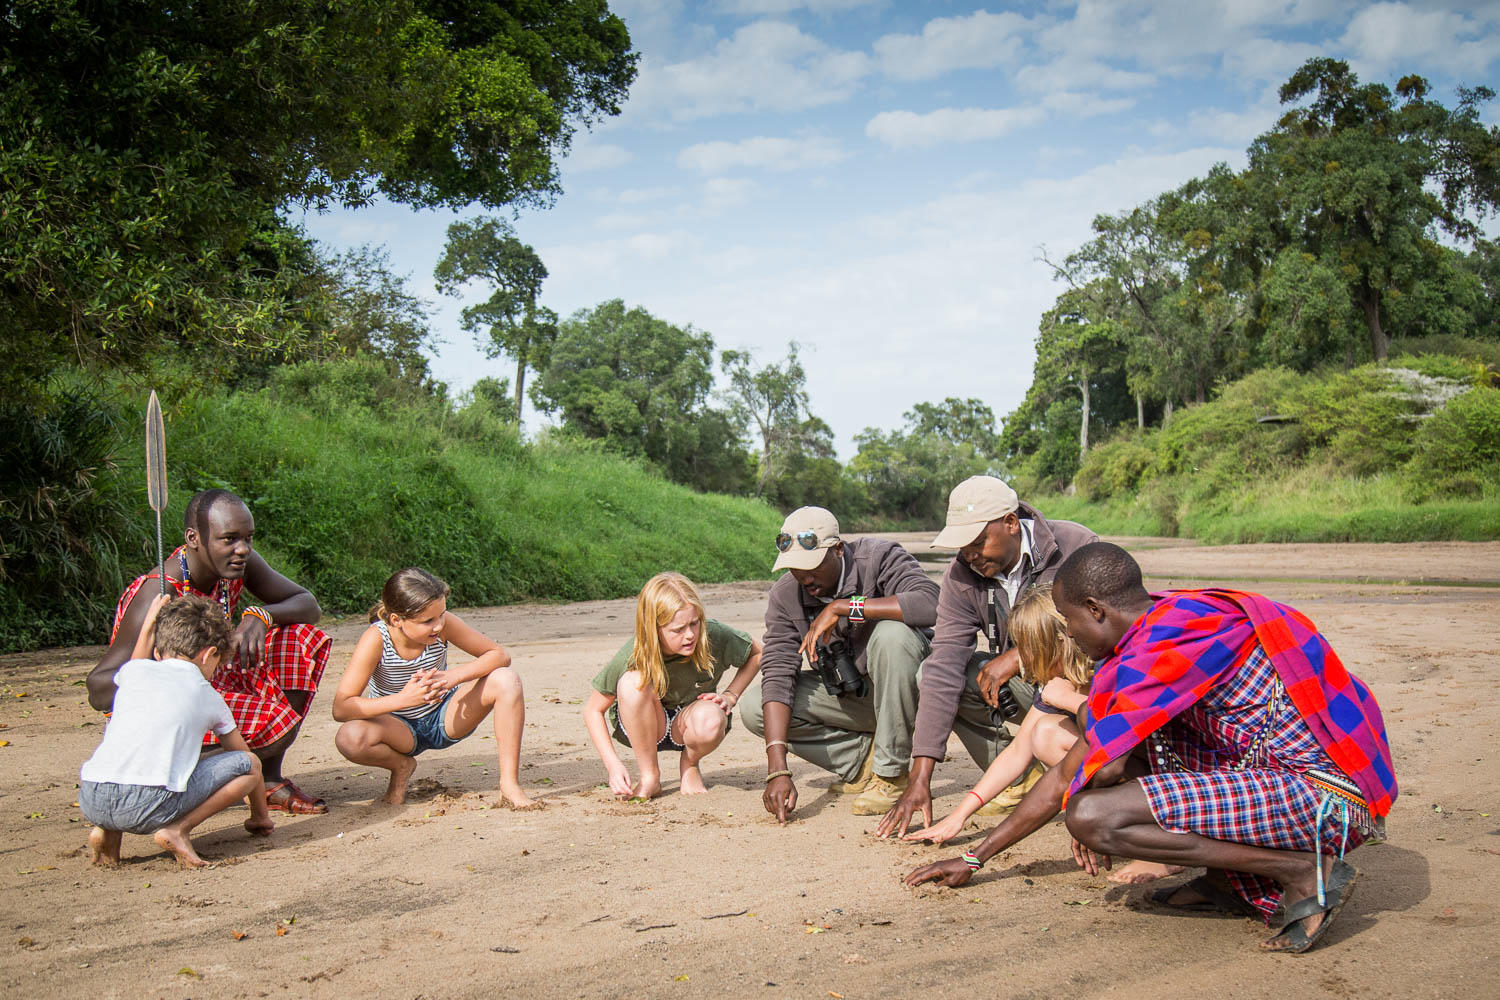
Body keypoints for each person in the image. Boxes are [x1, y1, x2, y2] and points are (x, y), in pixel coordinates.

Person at [907, 542, 1397, 955]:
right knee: (1140, 756)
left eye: (1073, 622)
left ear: (1097, 609)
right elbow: (1097, 760)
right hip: (1286, 776)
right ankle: (1228, 881)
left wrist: (976, 856)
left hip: (1329, 798)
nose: (1072, 636)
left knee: (1094, 815)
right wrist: (977, 853)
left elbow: (1078, 774)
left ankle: (1299, 872)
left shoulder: (1164, 646)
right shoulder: (1169, 620)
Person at [88, 489, 333, 814]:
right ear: (194, 538)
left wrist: (261, 615)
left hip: (209, 681)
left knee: (300, 637)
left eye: (248, 538)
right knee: (276, 725)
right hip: (165, 712)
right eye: (229, 539)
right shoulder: (158, 592)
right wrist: (156, 675)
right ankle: (186, 776)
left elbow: (308, 605)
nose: (242, 549)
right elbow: (99, 688)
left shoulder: (236, 562)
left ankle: (269, 779)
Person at [879, 476, 1097, 839]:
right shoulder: (961, 575)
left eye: (978, 543)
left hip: (1090, 685)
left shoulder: (1077, 547)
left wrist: (1017, 657)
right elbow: (944, 665)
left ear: (1011, 523)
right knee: (937, 675)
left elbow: (1106, 630)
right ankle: (1020, 780)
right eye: (963, 547)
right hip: (1043, 691)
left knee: (1068, 734)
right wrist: (920, 778)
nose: (970, 556)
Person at [740, 506, 940, 821]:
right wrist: (777, 770)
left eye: (812, 565)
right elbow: (778, 671)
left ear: (837, 549)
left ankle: (892, 775)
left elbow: (931, 603)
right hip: (858, 699)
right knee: (755, 706)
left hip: (912, 695)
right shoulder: (785, 595)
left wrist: (846, 607)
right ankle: (863, 763)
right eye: (794, 567)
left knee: (893, 635)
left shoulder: (879, 556)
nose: (804, 576)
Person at [80, 593, 274, 868]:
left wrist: (150, 621)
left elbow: (138, 655)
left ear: (158, 652)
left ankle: (106, 832)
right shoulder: (207, 695)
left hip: (92, 797)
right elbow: (244, 759)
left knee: (128, 761)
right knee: (249, 765)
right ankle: (178, 830)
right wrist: (260, 816)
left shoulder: (134, 671)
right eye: (217, 663)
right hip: (146, 807)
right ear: (210, 654)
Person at [900, 585, 1089, 845]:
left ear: (1060, 641)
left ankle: (1111, 818)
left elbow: (1132, 727)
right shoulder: (1056, 679)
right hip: (1114, 764)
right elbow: (1017, 752)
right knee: (1043, 732)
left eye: (1031, 649)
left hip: (1147, 769)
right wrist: (959, 816)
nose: (1027, 661)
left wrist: (1071, 700)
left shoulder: (1102, 663)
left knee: (1049, 733)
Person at [332, 567, 534, 808]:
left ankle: (509, 784)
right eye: (428, 621)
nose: (438, 625)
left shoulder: (444, 624)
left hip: (445, 716)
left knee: (506, 679)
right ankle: (401, 766)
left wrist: (453, 677)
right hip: (397, 728)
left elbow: (499, 655)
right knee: (349, 737)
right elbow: (342, 707)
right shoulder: (376, 639)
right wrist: (405, 699)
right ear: (397, 619)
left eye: (442, 615)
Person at [583, 572, 762, 799]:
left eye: (694, 624)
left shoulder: (712, 634)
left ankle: (690, 764)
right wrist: (613, 765)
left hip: (689, 721)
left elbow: (758, 652)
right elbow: (593, 710)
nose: (689, 635)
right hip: (647, 725)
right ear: (654, 629)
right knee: (632, 683)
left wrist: (731, 695)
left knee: (712, 717)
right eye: (678, 629)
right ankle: (650, 776)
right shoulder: (634, 652)